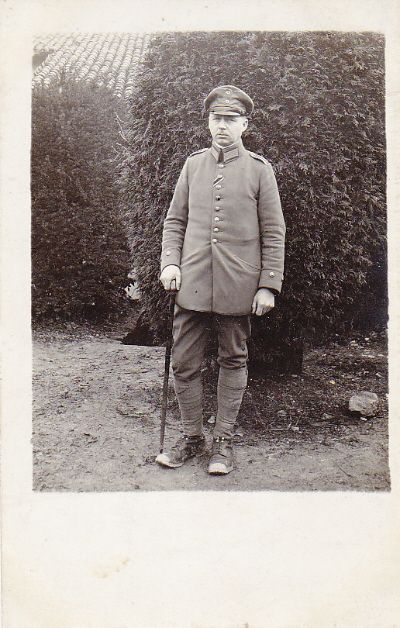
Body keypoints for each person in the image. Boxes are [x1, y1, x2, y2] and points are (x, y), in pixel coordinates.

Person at [156, 85, 285, 475]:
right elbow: (175, 220)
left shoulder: (260, 171)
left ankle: (223, 442)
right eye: (217, 119)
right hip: (191, 281)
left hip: (238, 285)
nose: (223, 126)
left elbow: (274, 232)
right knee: (184, 362)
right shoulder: (193, 165)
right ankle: (192, 438)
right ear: (208, 122)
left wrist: (268, 284)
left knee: (233, 359)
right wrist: (170, 264)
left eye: (231, 119)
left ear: (244, 124)